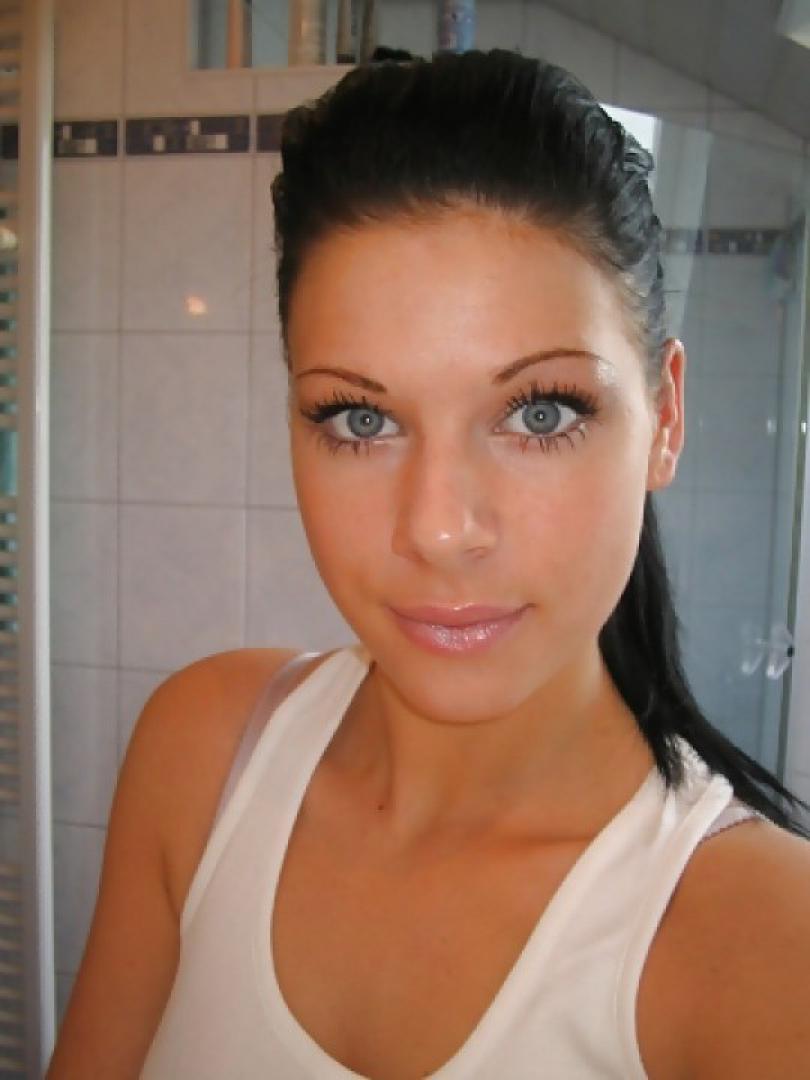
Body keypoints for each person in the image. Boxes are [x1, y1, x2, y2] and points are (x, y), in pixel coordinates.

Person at [47, 48, 810, 1079]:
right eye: (360, 419)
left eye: (540, 415)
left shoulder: (765, 946)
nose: (440, 530)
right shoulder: (202, 758)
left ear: (664, 419)